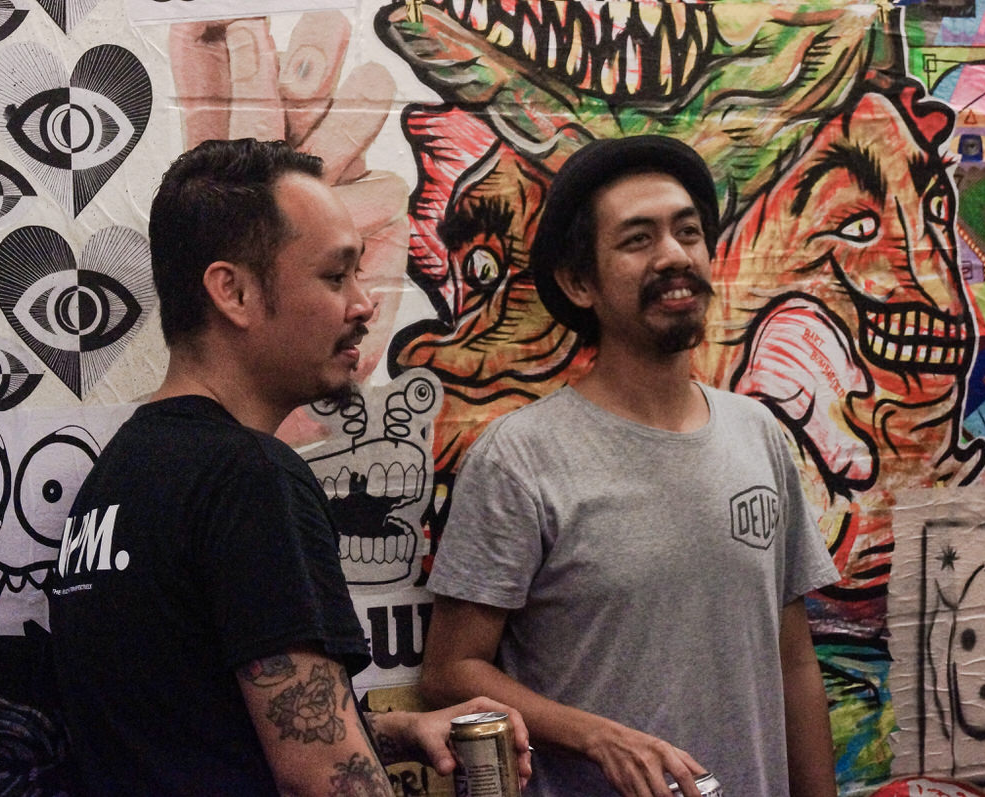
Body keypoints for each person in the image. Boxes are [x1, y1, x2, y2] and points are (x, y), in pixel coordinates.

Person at [47, 138, 531, 796]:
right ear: (235, 292)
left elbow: (198, 727)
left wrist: (397, 727)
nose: (363, 304)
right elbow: (323, 779)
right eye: (335, 276)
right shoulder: (249, 478)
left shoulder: (121, 473)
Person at [418, 135, 840, 797]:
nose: (674, 255)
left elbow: (794, 663)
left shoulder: (757, 433)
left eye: (688, 232)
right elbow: (450, 673)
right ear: (579, 283)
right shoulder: (519, 457)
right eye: (638, 239)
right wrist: (595, 735)